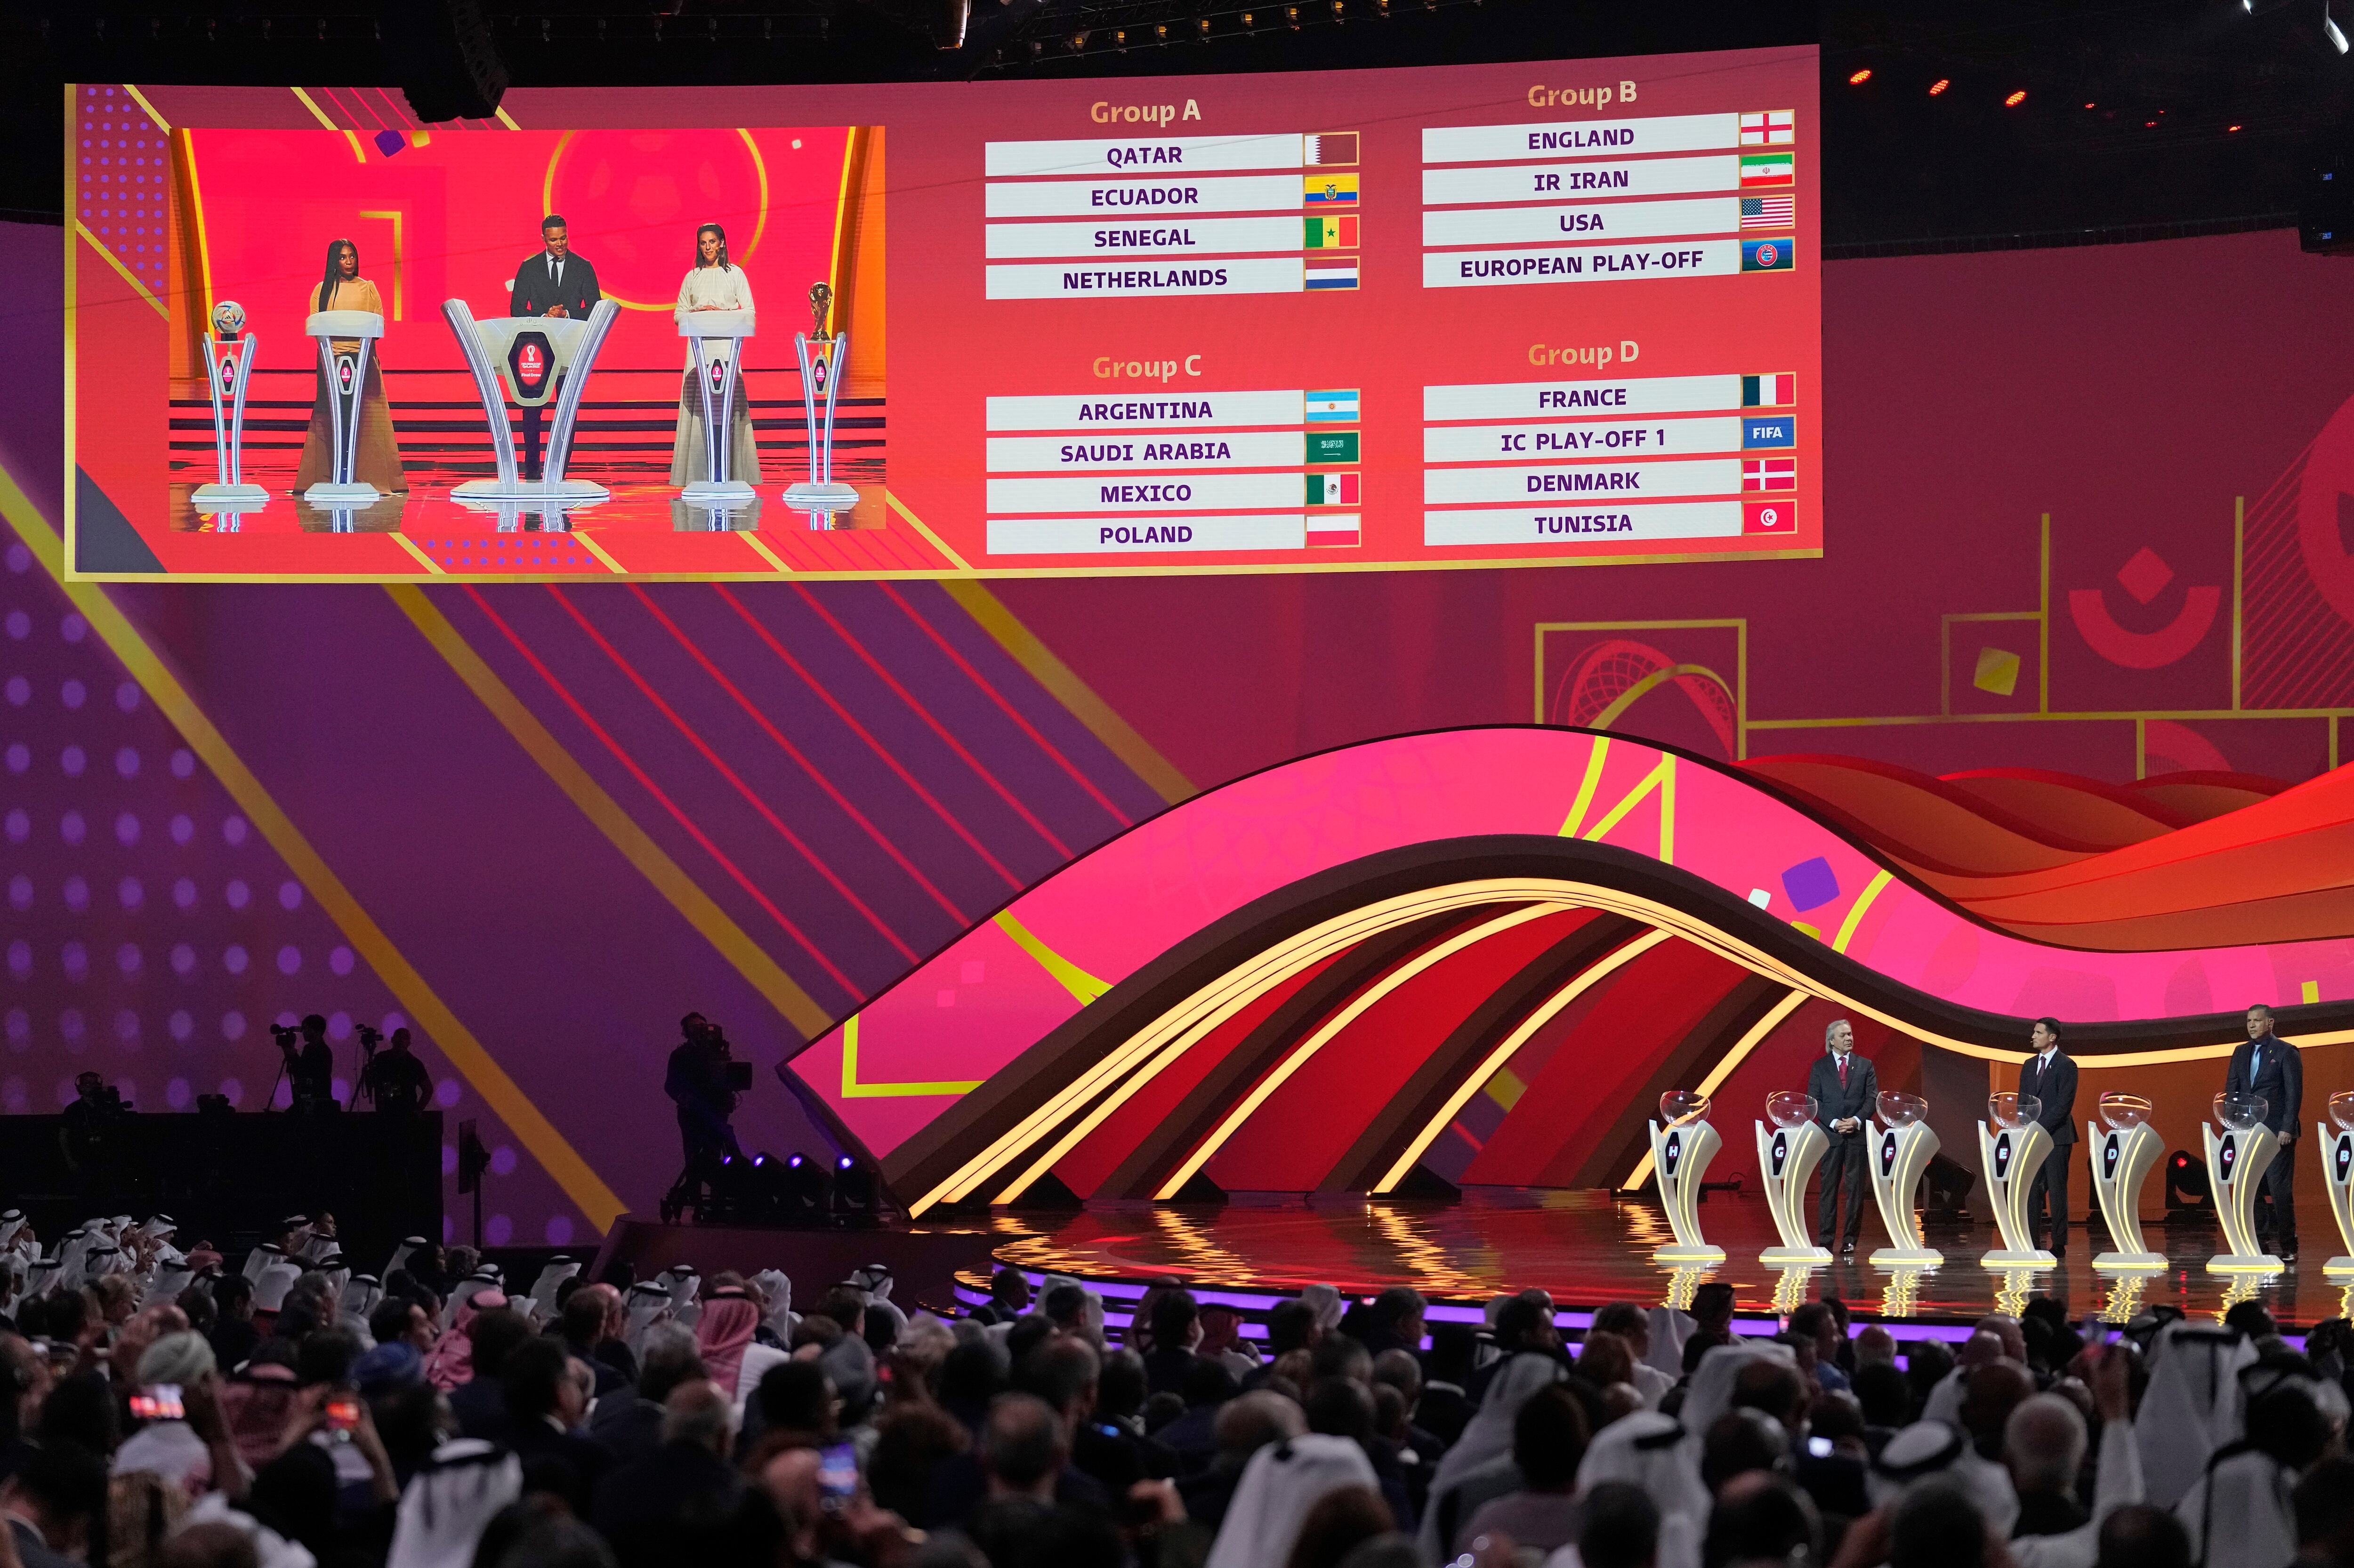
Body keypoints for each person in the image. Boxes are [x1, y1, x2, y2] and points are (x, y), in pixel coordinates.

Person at [295, 238, 409, 493]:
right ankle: (333, 474)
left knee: (364, 420)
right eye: (343, 257)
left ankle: (363, 475)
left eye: (352, 257)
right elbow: (316, 325)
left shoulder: (368, 288)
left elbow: (378, 325)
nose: (348, 262)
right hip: (331, 361)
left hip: (363, 360)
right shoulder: (322, 290)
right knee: (335, 418)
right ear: (334, 261)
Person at [508, 214, 604, 482]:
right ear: (544, 240)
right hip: (535, 348)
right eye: (554, 240)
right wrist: (544, 314)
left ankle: (560, 467)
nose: (560, 243)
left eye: (563, 238)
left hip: (570, 346)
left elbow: (596, 307)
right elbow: (517, 308)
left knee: (566, 408)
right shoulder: (529, 268)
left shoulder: (583, 267)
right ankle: (532, 467)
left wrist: (568, 314)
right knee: (532, 407)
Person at [669, 223, 761, 488]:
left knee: (728, 408)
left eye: (712, 242)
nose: (708, 248)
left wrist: (718, 313)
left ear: (721, 242)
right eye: (703, 243)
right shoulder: (692, 277)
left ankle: (731, 471)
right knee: (700, 410)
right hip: (700, 351)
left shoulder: (735, 274)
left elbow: (750, 312)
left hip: (727, 348)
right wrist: (699, 314)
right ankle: (699, 474)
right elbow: (678, 314)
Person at [2225, 1002, 2302, 1260]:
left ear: (2270, 1023)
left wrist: (2287, 1128)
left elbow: (2294, 1094)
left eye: (2257, 1021)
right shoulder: (2240, 1052)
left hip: (2277, 1133)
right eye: (2248, 1021)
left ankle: (2289, 1246)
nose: (2251, 1026)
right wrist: (2231, 1128)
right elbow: (2233, 1092)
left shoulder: (2286, 1052)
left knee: (2279, 1192)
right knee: (2253, 1190)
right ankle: (2259, 1244)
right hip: (2247, 1133)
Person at [1806, 1019, 1879, 1254]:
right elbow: (1814, 1101)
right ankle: (1826, 1240)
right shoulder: (1820, 1067)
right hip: (1831, 1136)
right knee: (1829, 1188)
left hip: (1857, 1136)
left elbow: (1872, 1099)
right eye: (1844, 1035)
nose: (1849, 1038)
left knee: (1855, 1189)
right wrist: (1835, 1123)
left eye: (1850, 1034)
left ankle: (1850, 1241)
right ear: (1832, 1041)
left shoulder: (1865, 1065)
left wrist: (1856, 1121)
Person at [664, 1013, 742, 1210]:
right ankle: (695, 1200)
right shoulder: (680, 1055)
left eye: (703, 1026)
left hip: (716, 1112)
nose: (700, 1030)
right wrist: (685, 1099)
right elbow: (670, 1085)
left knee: (712, 1158)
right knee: (693, 1157)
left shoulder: (719, 1054)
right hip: (691, 1115)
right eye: (695, 1026)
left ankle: (713, 1199)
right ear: (686, 1031)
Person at [2019, 1017, 2079, 1258]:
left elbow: (2064, 1105)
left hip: (2057, 1136)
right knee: (2033, 1190)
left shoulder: (2067, 1065)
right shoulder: (2028, 1064)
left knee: (2056, 1190)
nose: (2033, 1036)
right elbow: (2024, 1102)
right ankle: (2032, 1241)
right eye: (2034, 1032)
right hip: (2033, 1137)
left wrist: (2039, 1128)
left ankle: (2059, 1243)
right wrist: (2025, 1126)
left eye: (2038, 1032)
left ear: (2052, 1037)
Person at [359, 1027, 433, 1114]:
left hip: (405, 1113)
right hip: (387, 1113)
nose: (401, 1040)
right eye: (399, 1037)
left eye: (405, 1038)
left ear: (409, 1043)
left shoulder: (414, 1064)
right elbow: (373, 1083)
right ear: (393, 1040)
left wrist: (417, 1111)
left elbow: (428, 1089)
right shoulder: (382, 1058)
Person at [274, 1015, 334, 1112]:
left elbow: (307, 1071)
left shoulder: (323, 1051)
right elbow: (298, 1072)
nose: (303, 1032)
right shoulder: (308, 1049)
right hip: (308, 1099)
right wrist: (290, 1052)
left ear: (317, 1031)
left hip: (318, 1101)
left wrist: (294, 1055)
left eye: (306, 1028)